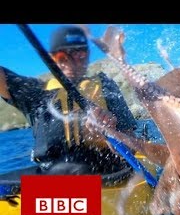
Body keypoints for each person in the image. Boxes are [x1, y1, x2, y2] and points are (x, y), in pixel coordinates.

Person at [0, 25, 137, 174]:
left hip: (103, 174)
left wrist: (111, 133)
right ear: (52, 59)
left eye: (79, 55)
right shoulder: (34, 92)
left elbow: (133, 146)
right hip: (50, 177)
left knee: (72, 169)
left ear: (88, 55)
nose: (71, 62)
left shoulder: (105, 86)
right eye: (63, 57)